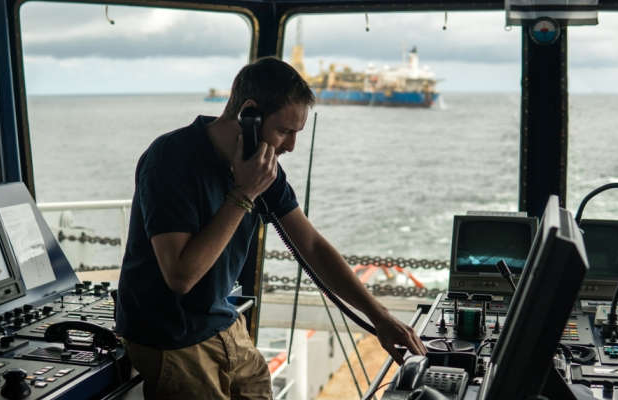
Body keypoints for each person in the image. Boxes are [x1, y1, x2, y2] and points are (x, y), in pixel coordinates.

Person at [115, 56, 427, 399]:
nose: (290, 146)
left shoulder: (264, 166)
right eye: (284, 131)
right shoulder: (171, 159)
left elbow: (311, 245)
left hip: (221, 322)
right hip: (169, 336)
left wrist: (379, 317)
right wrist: (244, 192)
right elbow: (181, 276)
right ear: (249, 114)